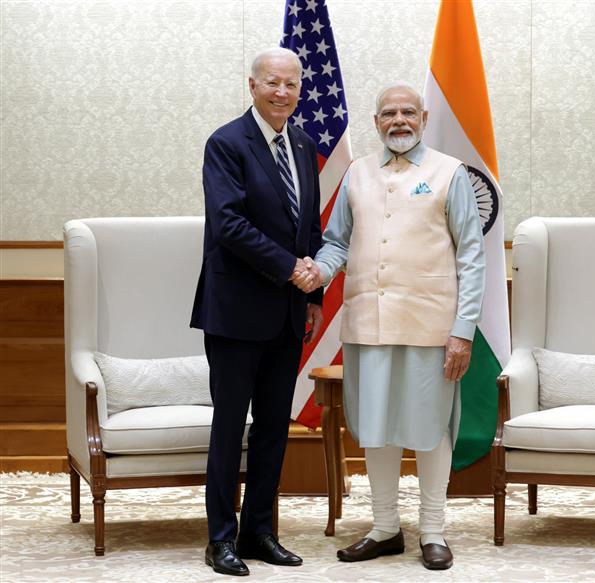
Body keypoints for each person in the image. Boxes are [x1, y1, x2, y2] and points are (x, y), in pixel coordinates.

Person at [296, 83, 485, 570]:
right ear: (375, 121)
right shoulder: (358, 174)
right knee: (376, 429)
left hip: (431, 327)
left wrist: (462, 329)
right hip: (368, 326)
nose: (398, 121)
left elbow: (471, 254)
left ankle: (435, 531)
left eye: (407, 112)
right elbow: (335, 242)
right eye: (388, 114)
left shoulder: (450, 173)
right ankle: (384, 528)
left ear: (422, 117)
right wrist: (318, 271)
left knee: (429, 430)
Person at [190, 47, 324, 577]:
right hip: (236, 312)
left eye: (291, 84)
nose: (283, 93)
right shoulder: (226, 143)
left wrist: (311, 295)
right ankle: (220, 538)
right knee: (229, 427)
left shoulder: (304, 143)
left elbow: (307, 227)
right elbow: (229, 225)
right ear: (252, 85)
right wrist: (291, 268)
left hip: (288, 313)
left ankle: (258, 532)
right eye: (273, 83)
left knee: (273, 427)